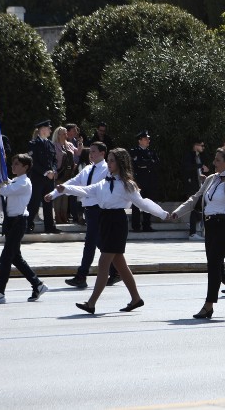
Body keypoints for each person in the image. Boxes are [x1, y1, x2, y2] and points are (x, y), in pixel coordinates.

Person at [56, 147, 169, 314]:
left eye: (112, 160)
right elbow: (86, 190)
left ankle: (91, 303)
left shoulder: (127, 184)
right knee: (120, 265)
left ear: (120, 163)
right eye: (108, 160)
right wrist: (65, 189)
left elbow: (143, 203)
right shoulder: (104, 182)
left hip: (117, 222)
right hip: (105, 221)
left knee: (103, 263)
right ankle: (136, 299)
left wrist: (163, 214)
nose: (108, 164)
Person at [168, 146, 225, 318]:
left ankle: (208, 305)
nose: (214, 163)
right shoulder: (211, 179)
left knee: (214, 264)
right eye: (215, 159)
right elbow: (195, 198)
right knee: (217, 266)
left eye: (218, 160)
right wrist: (177, 212)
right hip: (210, 225)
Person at [0, 154, 49, 304]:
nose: (13, 166)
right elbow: (2, 196)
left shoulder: (24, 182)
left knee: (5, 258)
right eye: (13, 163)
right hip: (11, 222)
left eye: (17, 164)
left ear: (25, 167)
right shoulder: (14, 181)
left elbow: (4, 191)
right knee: (15, 258)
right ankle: (37, 284)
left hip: (18, 222)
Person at [50, 142, 118, 289]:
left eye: (94, 151)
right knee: (100, 243)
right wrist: (54, 193)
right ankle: (115, 271)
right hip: (90, 210)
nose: (91, 154)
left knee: (90, 242)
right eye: (90, 151)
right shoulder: (87, 169)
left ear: (102, 153)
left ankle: (82, 275)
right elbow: (72, 182)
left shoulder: (107, 169)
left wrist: (69, 189)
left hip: (99, 210)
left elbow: (91, 190)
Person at [27, 120, 59, 234]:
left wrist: (53, 171)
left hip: (49, 179)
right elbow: (33, 162)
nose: (50, 130)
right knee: (34, 203)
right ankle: (27, 224)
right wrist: (46, 172)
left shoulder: (50, 144)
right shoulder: (33, 144)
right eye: (48, 128)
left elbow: (54, 160)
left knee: (48, 202)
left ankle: (49, 226)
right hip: (38, 178)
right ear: (42, 129)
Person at [129, 131, 160, 232]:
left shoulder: (151, 152)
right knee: (137, 203)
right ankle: (136, 226)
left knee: (148, 203)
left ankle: (147, 225)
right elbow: (137, 163)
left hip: (150, 181)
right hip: (139, 181)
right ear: (140, 140)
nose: (148, 140)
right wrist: (148, 163)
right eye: (146, 139)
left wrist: (146, 163)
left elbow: (157, 164)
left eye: (148, 139)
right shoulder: (134, 151)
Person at [182, 139, 209, 241]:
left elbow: (197, 171)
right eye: (201, 145)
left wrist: (202, 173)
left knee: (200, 207)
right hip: (192, 186)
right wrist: (200, 166)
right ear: (195, 145)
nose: (203, 147)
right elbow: (187, 168)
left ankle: (194, 224)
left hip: (199, 185)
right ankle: (192, 232)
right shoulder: (189, 155)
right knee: (195, 208)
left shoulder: (199, 156)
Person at [51, 126, 78, 225]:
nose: (66, 135)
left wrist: (80, 144)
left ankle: (64, 215)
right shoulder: (53, 145)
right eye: (64, 133)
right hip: (59, 172)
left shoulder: (70, 145)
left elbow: (78, 153)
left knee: (65, 195)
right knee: (58, 195)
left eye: (66, 133)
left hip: (69, 173)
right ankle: (58, 215)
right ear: (58, 135)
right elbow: (52, 160)